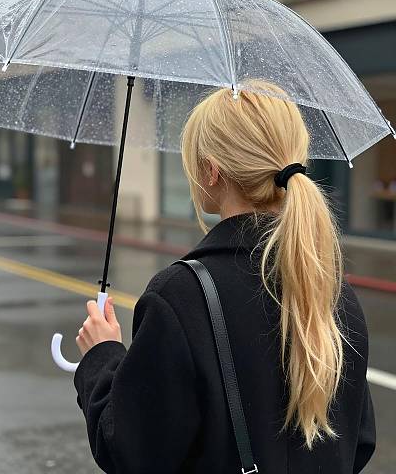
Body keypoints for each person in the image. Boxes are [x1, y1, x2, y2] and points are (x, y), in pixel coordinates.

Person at [73, 80, 376, 474]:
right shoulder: (333, 291)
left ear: (212, 171)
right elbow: (359, 440)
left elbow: (130, 452)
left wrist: (102, 356)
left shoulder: (181, 297)